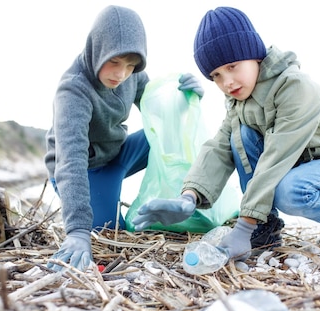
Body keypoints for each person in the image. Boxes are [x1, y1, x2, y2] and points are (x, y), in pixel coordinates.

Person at [133, 6, 320, 261]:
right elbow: (219, 147)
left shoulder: (295, 88)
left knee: (290, 192)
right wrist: (189, 197)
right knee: (238, 134)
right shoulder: (239, 100)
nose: (226, 82)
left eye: (232, 66)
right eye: (216, 75)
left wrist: (243, 227)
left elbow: (275, 157)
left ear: (254, 55)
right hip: (299, 162)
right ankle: (266, 225)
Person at [44, 5, 204, 272]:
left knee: (171, 131)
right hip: (86, 168)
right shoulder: (73, 89)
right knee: (107, 231)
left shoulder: (134, 75)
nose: (121, 74)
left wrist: (187, 100)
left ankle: (184, 199)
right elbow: (70, 162)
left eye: (130, 66)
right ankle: (99, 214)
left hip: (118, 153)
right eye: (115, 62)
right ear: (97, 48)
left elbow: (160, 113)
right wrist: (77, 231)